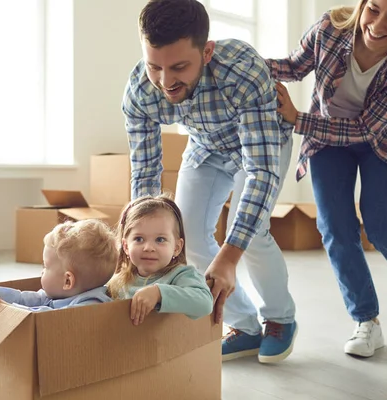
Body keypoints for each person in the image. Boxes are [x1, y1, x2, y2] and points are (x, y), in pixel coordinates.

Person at [122, 0, 297, 363]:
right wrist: (136, 235)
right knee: (184, 233)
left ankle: (280, 319)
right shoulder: (140, 91)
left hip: (260, 144)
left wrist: (230, 255)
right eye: (155, 66)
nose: (166, 82)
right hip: (206, 147)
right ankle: (245, 326)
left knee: (252, 229)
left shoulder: (243, 70)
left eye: (180, 67)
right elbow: (145, 172)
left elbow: (261, 172)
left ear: (207, 51)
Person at [267, 0, 387, 357]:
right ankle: (366, 322)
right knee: (335, 227)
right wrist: (246, 65)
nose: (377, 24)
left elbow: (364, 128)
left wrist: (298, 119)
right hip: (328, 139)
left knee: (382, 225)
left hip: (382, 142)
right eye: (373, 8)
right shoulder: (329, 29)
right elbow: (294, 67)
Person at [0, 219, 118, 311]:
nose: (42, 272)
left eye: (46, 266)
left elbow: (46, 320)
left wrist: (8, 310)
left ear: (67, 281)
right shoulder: (56, 294)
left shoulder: (90, 305)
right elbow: (22, 298)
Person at [107, 195, 213, 325]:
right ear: (126, 246)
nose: (149, 248)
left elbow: (205, 303)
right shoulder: (119, 281)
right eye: (139, 239)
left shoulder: (181, 275)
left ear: (177, 247)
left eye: (160, 240)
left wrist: (158, 293)